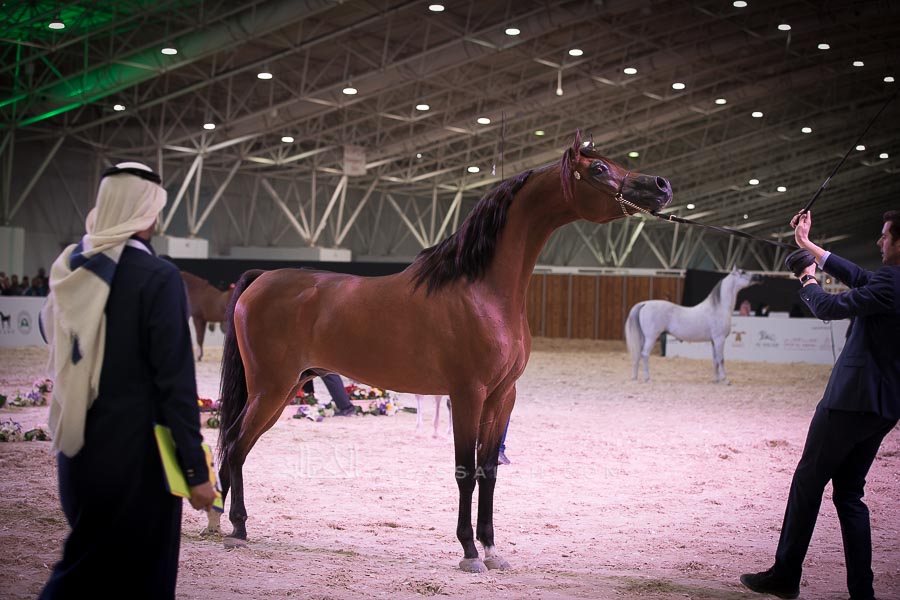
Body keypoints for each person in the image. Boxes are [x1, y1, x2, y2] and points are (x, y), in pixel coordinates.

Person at [39, 162, 216, 599]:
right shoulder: (158, 277)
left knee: (86, 571)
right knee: (139, 581)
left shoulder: (70, 267)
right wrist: (195, 470)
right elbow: (175, 383)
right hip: (138, 461)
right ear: (146, 211)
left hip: (75, 453)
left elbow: (51, 336)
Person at [740, 210, 900, 600]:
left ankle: (785, 575)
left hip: (851, 399)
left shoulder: (891, 281)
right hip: (884, 405)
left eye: (885, 236)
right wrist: (809, 245)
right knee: (849, 494)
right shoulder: (891, 281)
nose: (879, 241)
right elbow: (859, 276)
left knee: (807, 483)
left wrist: (806, 278)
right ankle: (862, 591)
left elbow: (827, 308)